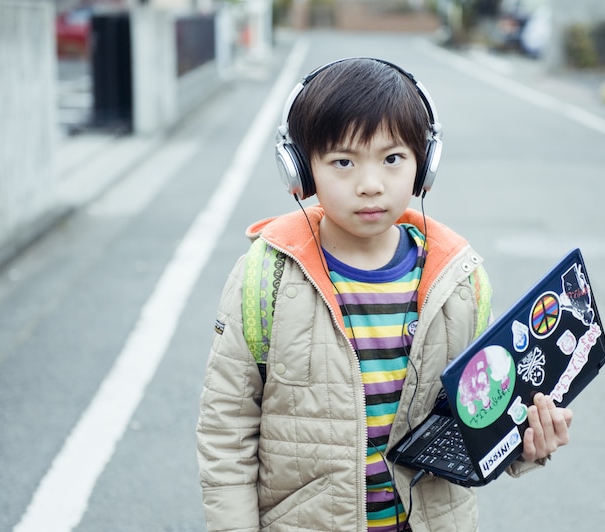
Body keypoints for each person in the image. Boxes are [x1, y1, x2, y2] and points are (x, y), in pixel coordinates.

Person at [196, 57, 573, 532]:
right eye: (343, 162)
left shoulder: (457, 281)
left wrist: (523, 443)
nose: (370, 184)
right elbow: (226, 431)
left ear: (424, 165)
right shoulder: (266, 278)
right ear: (301, 171)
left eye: (392, 159)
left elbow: (478, 418)